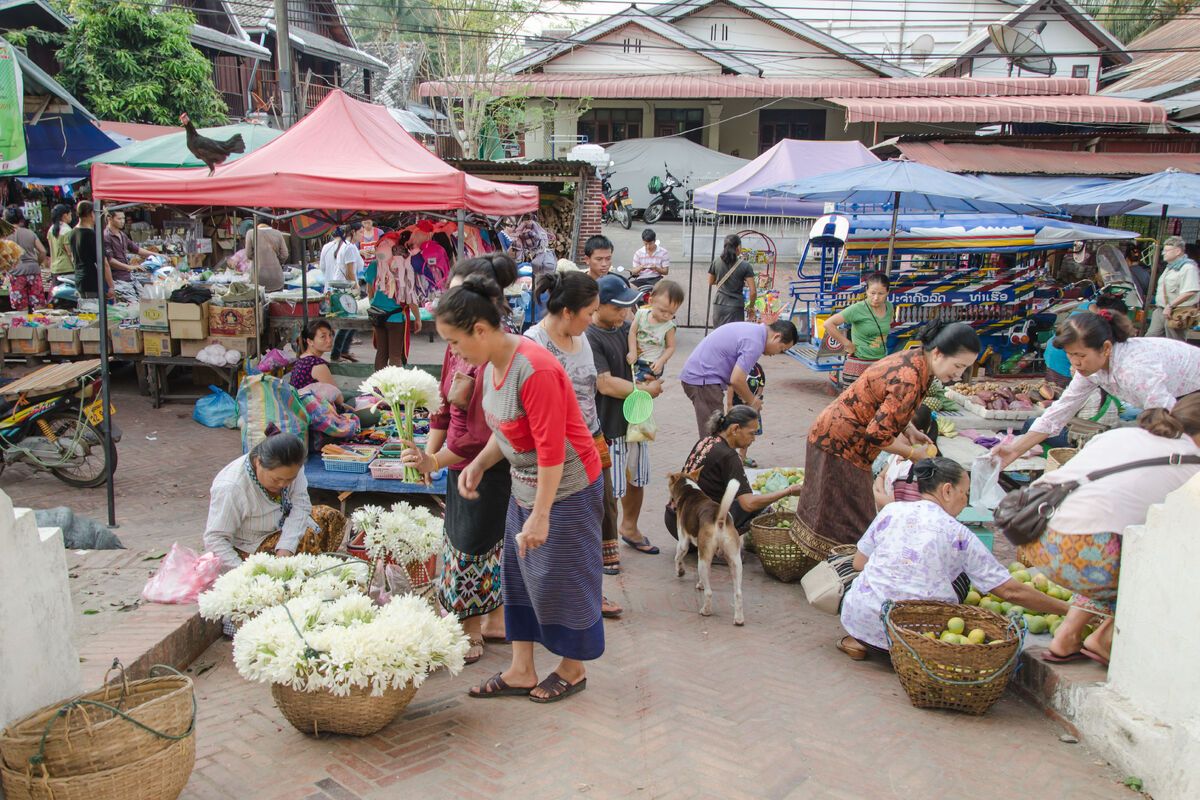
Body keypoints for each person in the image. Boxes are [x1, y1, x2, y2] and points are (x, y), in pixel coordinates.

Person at [437, 274, 604, 704]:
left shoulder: (535, 369)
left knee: (562, 577)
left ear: (480, 329)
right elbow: (508, 428)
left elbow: (550, 449)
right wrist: (477, 463)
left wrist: (542, 514)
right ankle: (521, 668)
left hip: (566, 488)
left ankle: (573, 667)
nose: (452, 352)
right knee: (519, 575)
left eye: (454, 342)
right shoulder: (490, 365)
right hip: (526, 485)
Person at [1017, 394, 1200, 666]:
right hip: (1083, 555)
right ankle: (1104, 638)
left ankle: (1066, 635)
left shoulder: (1124, 435)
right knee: (1172, 562)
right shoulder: (1193, 466)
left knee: (1113, 539)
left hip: (1034, 535)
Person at [837, 457, 1070, 661]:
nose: (965, 501)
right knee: (962, 579)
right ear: (947, 490)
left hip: (859, 622)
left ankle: (859, 642)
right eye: (965, 493)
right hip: (918, 638)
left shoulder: (891, 510)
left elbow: (859, 563)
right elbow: (1010, 592)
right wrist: (1068, 609)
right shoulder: (959, 535)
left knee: (862, 574)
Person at [403, 255, 518, 664]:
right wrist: (429, 455)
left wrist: (435, 461)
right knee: (470, 543)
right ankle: (487, 622)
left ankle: (475, 629)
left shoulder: (497, 357)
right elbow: (443, 407)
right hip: (457, 460)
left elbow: (483, 435)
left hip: (486, 463)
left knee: (477, 545)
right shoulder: (459, 347)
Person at [795, 321, 981, 549]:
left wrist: (909, 429)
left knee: (839, 511)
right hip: (840, 443)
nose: (959, 375)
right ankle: (843, 569)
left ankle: (832, 563)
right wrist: (913, 454)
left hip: (840, 438)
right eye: (959, 366)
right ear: (939, 353)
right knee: (853, 519)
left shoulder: (919, 361)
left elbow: (886, 406)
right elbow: (877, 433)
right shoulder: (911, 377)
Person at [525, 271, 622, 614]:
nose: (593, 319)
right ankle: (549, 598)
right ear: (567, 311)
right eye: (589, 312)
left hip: (591, 441)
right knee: (558, 522)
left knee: (598, 515)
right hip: (554, 450)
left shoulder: (585, 340)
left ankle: (591, 593)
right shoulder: (533, 343)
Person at [994, 310, 1200, 467]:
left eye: (1081, 356)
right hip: (1176, 397)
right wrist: (1013, 451)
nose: (1075, 363)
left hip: (1189, 396)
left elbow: (1167, 417)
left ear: (1106, 348)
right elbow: (1057, 414)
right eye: (1070, 355)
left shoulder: (1134, 369)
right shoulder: (1093, 368)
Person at [590, 274, 663, 558]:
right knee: (609, 489)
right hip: (608, 423)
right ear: (598, 305)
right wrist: (644, 390)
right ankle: (604, 543)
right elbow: (605, 383)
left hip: (637, 420)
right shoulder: (590, 337)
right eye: (618, 307)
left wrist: (653, 374)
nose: (624, 312)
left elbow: (652, 355)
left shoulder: (629, 328)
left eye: (628, 307)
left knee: (637, 478)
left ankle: (629, 528)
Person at [203, 433, 346, 571]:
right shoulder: (231, 487)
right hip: (250, 545)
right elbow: (215, 539)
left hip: (281, 526)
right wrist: (244, 574)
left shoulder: (292, 465)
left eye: (290, 479)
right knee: (306, 540)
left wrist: (286, 548)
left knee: (331, 517)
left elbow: (301, 505)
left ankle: (307, 569)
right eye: (276, 479)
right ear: (258, 462)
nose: (283, 485)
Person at [665, 405, 803, 539]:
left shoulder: (706, 441)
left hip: (674, 519)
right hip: (695, 529)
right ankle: (719, 548)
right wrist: (788, 491)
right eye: (751, 433)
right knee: (762, 506)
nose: (753, 439)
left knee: (738, 496)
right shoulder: (729, 456)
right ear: (735, 429)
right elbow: (748, 504)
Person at [678, 319, 799, 438]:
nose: (776, 354)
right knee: (713, 439)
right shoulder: (756, 343)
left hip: (703, 378)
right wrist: (753, 401)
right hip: (703, 380)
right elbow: (737, 379)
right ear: (776, 337)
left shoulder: (754, 332)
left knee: (716, 435)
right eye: (781, 349)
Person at [365, 230, 423, 369]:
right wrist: (418, 318)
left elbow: (369, 291)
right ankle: (394, 388)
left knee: (381, 353)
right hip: (395, 318)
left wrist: (375, 304)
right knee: (395, 355)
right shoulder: (402, 267)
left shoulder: (374, 265)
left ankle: (378, 387)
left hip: (378, 315)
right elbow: (410, 298)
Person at [825, 272, 893, 388]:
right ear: (866, 291)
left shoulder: (889, 307)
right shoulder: (858, 309)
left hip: (879, 363)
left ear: (888, 292)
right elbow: (828, 324)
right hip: (858, 365)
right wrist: (847, 343)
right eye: (872, 293)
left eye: (881, 293)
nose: (876, 298)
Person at [319, 223, 365, 362]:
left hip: (331, 288)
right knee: (348, 321)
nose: (363, 235)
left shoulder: (330, 247)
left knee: (346, 321)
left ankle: (342, 351)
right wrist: (356, 288)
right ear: (353, 232)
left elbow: (322, 268)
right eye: (361, 232)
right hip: (344, 290)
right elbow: (350, 271)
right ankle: (337, 352)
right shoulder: (349, 247)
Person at [627, 279, 683, 382]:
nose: (666, 315)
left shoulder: (669, 326)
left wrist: (661, 361)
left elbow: (671, 347)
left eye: (671, 313)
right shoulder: (641, 314)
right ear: (651, 301)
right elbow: (632, 332)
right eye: (662, 310)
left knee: (640, 385)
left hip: (652, 363)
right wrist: (632, 351)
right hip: (635, 358)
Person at [1146, 236, 1199, 340]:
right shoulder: (1170, 267)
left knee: (1174, 342)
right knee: (1150, 339)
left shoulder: (1188, 268)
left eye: (1166, 251)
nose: (1163, 253)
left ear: (1178, 251)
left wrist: (1170, 306)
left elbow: (1190, 291)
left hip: (1177, 312)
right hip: (1161, 310)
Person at [708, 234, 756, 328]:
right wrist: (751, 307)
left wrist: (724, 281)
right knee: (734, 336)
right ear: (738, 247)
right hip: (735, 307)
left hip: (719, 304)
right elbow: (753, 292)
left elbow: (710, 281)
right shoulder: (745, 266)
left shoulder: (716, 261)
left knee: (719, 335)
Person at [6, 207, 48, 311]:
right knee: (38, 306)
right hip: (33, 271)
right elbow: (43, 251)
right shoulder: (30, 233)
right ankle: (39, 326)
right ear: (21, 219)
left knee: (21, 307)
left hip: (16, 273)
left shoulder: (4, 235)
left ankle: (24, 327)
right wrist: (36, 263)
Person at [68, 202, 112, 300]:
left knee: (86, 312)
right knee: (94, 312)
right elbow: (104, 263)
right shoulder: (91, 235)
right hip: (91, 281)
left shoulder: (72, 232)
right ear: (92, 213)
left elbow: (72, 258)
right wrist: (111, 286)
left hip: (79, 279)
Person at [103, 210, 154, 286]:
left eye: (123, 218)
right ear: (110, 219)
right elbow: (110, 260)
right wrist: (130, 267)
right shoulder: (106, 236)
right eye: (119, 219)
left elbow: (136, 249)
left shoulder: (122, 235)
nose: (122, 221)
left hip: (126, 276)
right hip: (116, 278)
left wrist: (156, 254)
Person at [289, 320, 339, 393]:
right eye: (323, 336)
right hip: (308, 404)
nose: (330, 340)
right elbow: (338, 397)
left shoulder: (302, 358)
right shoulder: (317, 365)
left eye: (330, 335)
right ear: (310, 341)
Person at [244, 216, 289, 293]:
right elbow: (285, 254)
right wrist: (277, 262)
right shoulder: (278, 233)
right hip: (276, 277)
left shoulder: (251, 233)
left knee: (261, 303)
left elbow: (248, 254)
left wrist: (258, 258)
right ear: (271, 221)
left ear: (256, 221)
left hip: (258, 278)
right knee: (276, 303)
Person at [47, 204, 74, 281]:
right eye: (70, 214)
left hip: (54, 268)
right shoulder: (67, 230)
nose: (71, 216)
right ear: (65, 215)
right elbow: (70, 253)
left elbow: (51, 249)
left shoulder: (50, 230)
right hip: (66, 269)